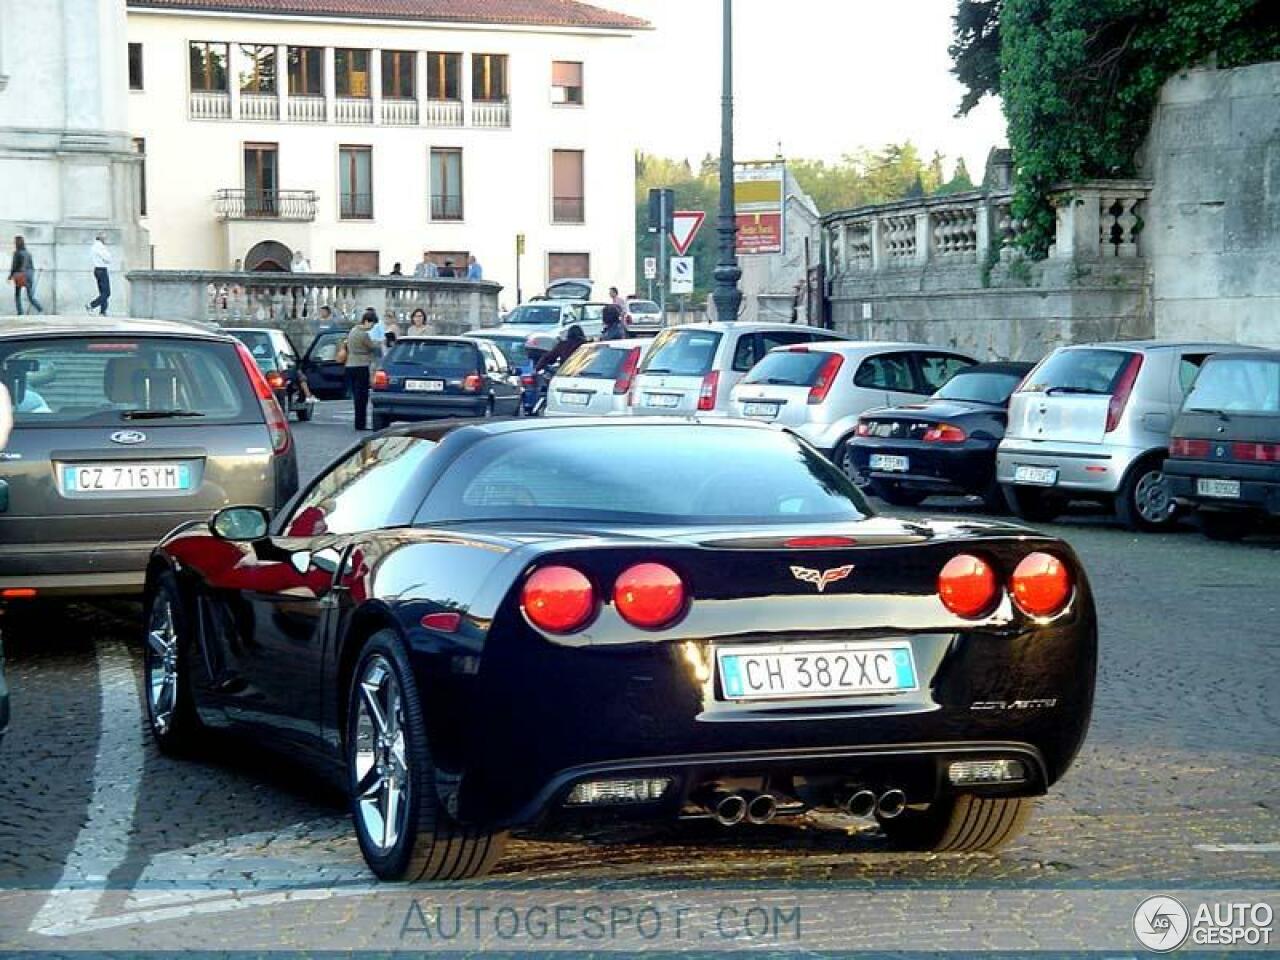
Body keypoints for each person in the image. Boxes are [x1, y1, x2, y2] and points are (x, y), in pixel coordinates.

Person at [345, 309, 378, 430]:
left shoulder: (353, 330)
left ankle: (358, 423)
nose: (372, 327)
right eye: (372, 324)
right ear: (367, 321)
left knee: (356, 395)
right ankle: (361, 423)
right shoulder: (363, 334)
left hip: (350, 364)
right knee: (362, 397)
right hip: (361, 365)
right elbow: (372, 347)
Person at [9, 237, 43, 315]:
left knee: (17, 295)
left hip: (20, 275)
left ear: (16, 243)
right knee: (30, 296)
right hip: (29, 275)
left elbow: (14, 266)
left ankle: (20, 313)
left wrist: (10, 276)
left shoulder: (16, 253)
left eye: (14, 242)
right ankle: (40, 309)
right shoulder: (28, 253)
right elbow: (32, 266)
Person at [86, 234, 111, 315]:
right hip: (102, 269)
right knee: (107, 293)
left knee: (103, 292)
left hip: (97, 269)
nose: (106, 240)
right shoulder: (100, 247)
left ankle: (103, 311)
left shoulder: (94, 247)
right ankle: (91, 305)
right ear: (101, 238)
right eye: (105, 238)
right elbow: (108, 258)